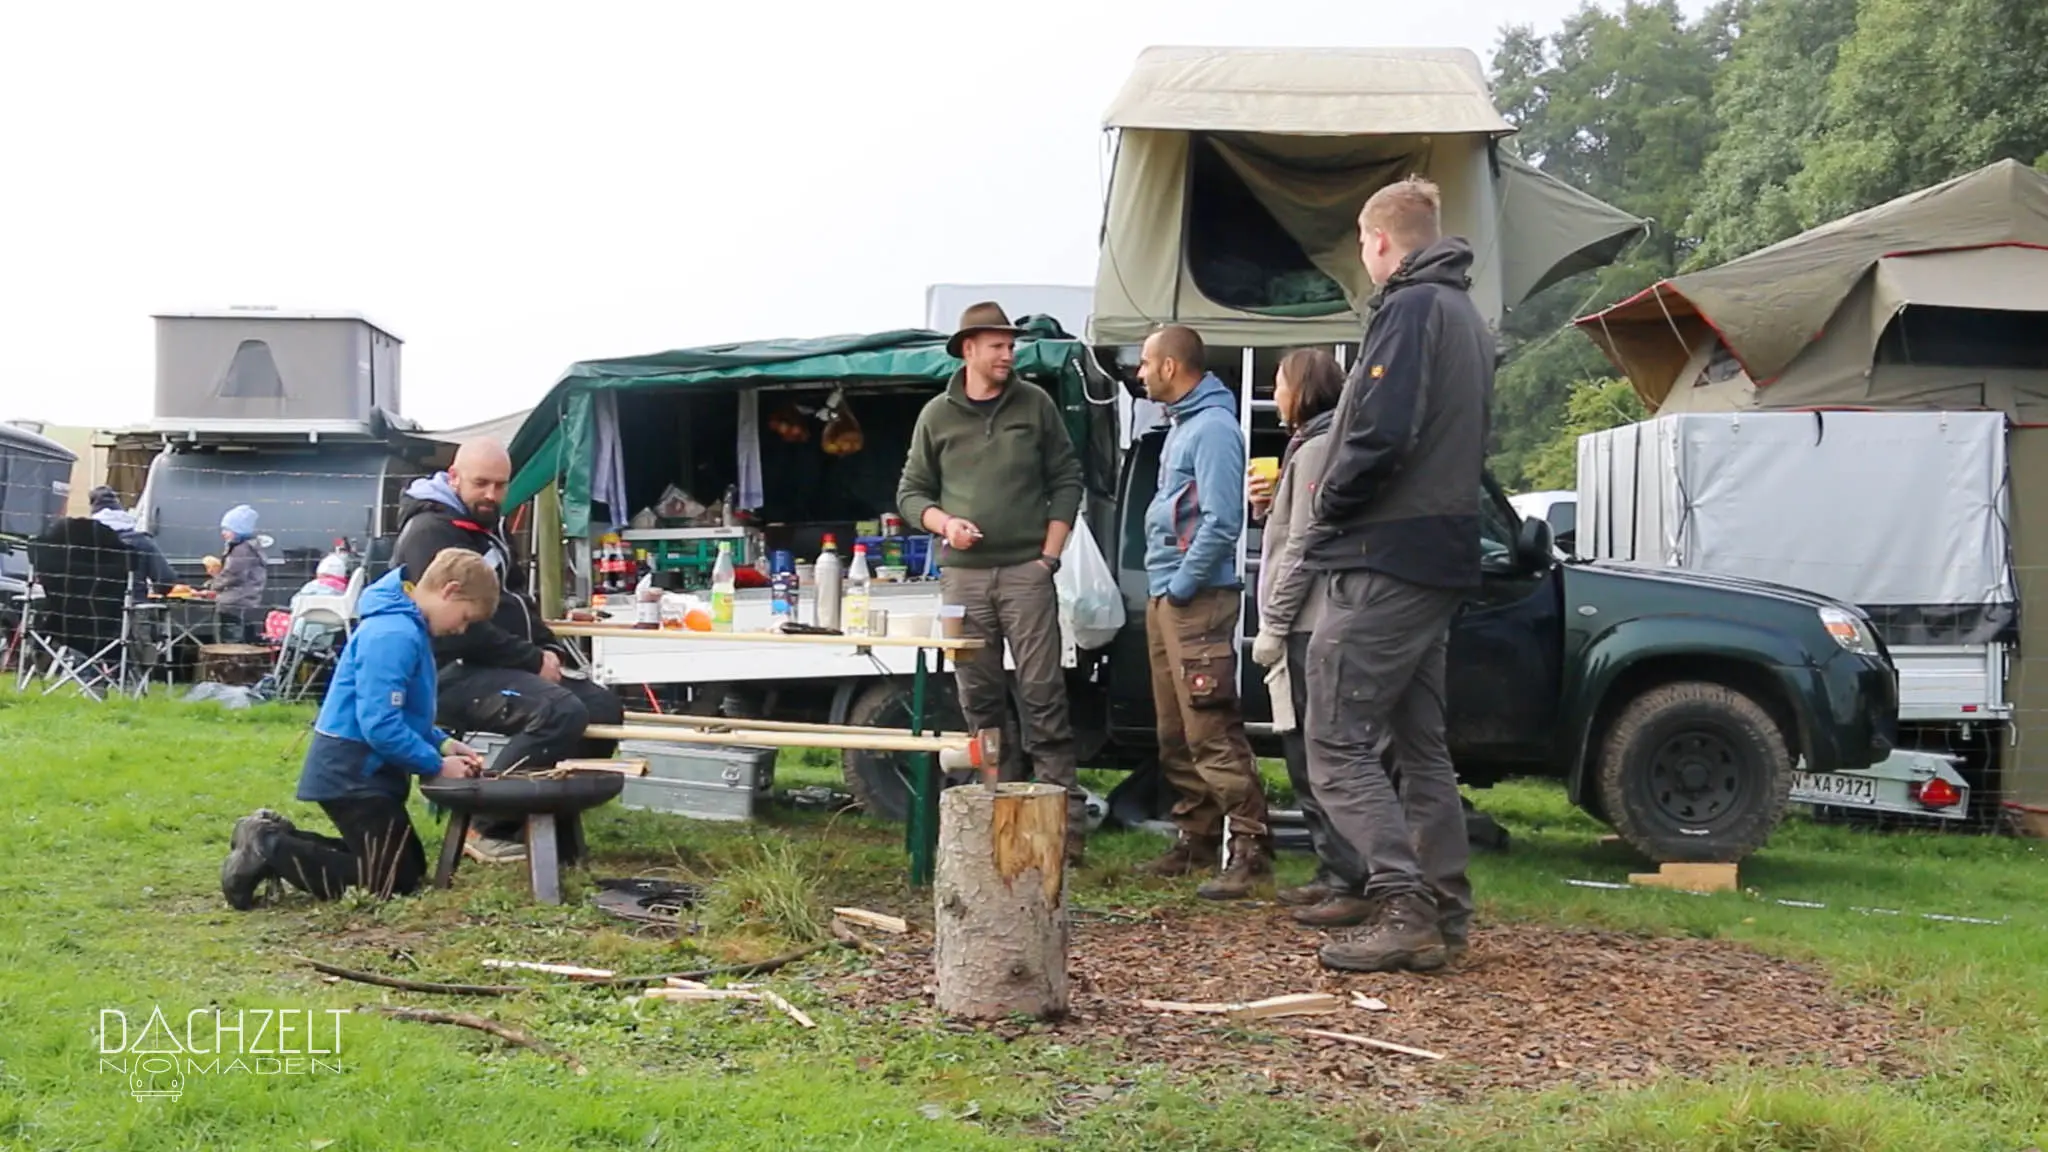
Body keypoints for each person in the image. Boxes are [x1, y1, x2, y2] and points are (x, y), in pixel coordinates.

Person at [1301, 177, 1494, 973]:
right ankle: (1444, 908)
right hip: (1439, 553)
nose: (1362, 252)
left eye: (1361, 239)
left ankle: (1404, 906)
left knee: (1335, 738)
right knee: (1419, 747)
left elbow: (1382, 431)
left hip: (1384, 554)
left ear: (1379, 240)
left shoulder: (1410, 310)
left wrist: (1327, 500)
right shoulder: (1466, 316)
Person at [897, 302, 1090, 859]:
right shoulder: (937, 415)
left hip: (1027, 573)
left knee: (1042, 694)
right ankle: (993, 821)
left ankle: (1062, 830)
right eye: (998, 346)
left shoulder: (1036, 404)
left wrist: (1048, 558)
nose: (1009, 354)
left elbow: (1067, 478)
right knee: (978, 699)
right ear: (969, 349)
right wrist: (945, 524)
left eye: (1011, 345)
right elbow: (910, 492)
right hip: (963, 578)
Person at [218, 547, 498, 909]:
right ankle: (268, 847)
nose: (461, 629)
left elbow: (401, 713)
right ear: (450, 590)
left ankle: (273, 838)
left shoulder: (404, 627)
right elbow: (380, 725)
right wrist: (435, 765)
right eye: (465, 617)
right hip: (352, 773)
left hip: (365, 770)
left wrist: (442, 744)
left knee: (403, 865)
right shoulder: (393, 635)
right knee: (394, 878)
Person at [390, 439, 624, 864]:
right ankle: (484, 825)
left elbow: (518, 598)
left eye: (500, 485)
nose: (491, 494)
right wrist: (531, 660)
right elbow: (457, 630)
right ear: (454, 477)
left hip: (495, 665)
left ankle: (543, 819)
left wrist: (548, 647)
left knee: (602, 708)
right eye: (481, 483)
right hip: (444, 671)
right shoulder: (429, 533)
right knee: (558, 712)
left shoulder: (489, 528)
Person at [1133, 324, 1270, 899]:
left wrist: (1184, 586)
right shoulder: (1183, 425)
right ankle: (1197, 835)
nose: (1139, 372)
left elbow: (1222, 520)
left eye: (1146, 363)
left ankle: (1251, 848)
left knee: (1210, 727)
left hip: (1196, 599)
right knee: (1175, 730)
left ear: (1170, 367)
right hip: (1169, 593)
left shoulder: (1213, 428)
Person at [1246, 348, 1365, 924]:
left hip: (1309, 621)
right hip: (1302, 620)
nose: (1275, 393)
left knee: (1316, 752)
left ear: (1305, 389)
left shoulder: (1318, 447)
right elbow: (1292, 525)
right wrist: (1268, 507)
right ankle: (1330, 869)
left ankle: (1349, 877)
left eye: (1279, 382)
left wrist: (1273, 622)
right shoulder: (1307, 444)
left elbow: (1305, 544)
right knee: (1301, 751)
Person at [87, 486, 176, 595]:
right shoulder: (142, 542)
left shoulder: (86, 542)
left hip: (93, 604)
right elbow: (166, 579)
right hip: (133, 602)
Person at [210, 504, 268, 641]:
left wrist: (214, 585)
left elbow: (233, 574)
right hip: (245, 603)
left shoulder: (241, 550)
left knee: (232, 641)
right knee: (245, 637)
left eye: (227, 529)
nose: (223, 533)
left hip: (234, 603)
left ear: (239, 530)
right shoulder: (249, 547)